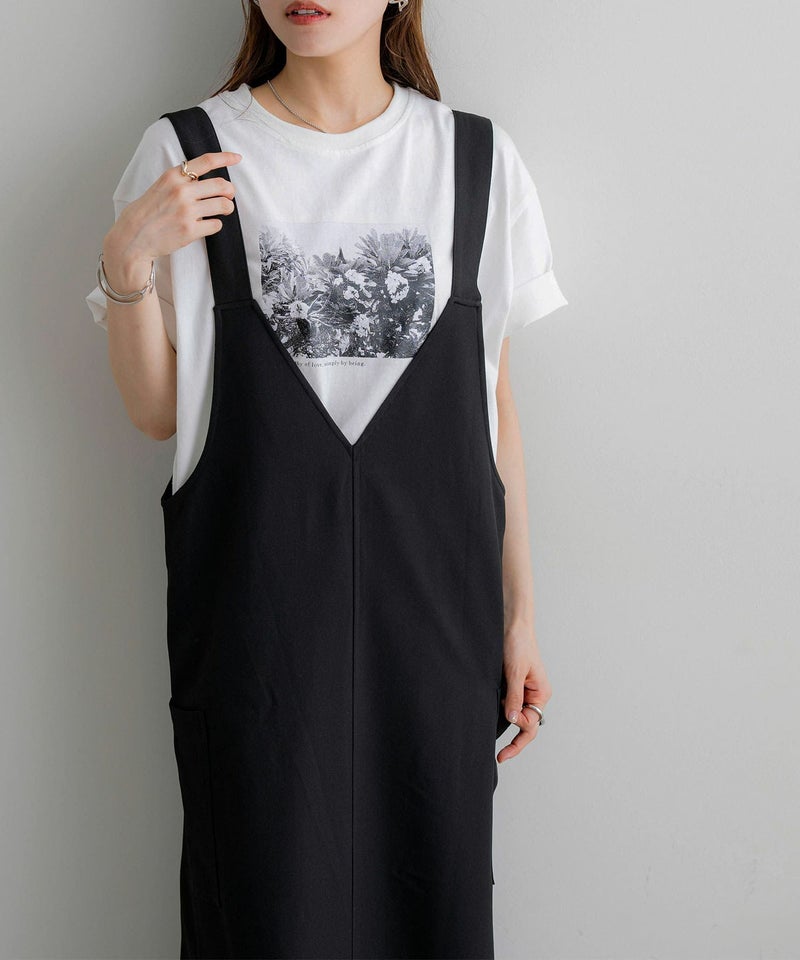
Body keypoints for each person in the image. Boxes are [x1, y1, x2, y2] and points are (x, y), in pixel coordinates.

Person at [85, 0, 567, 956]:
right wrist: (125, 260)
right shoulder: (188, 152)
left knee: (433, 906)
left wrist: (520, 616)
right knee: (264, 910)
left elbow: (493, 409)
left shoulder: (475, 160)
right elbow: (157, 412)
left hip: (437, 621)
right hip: (258, 624)